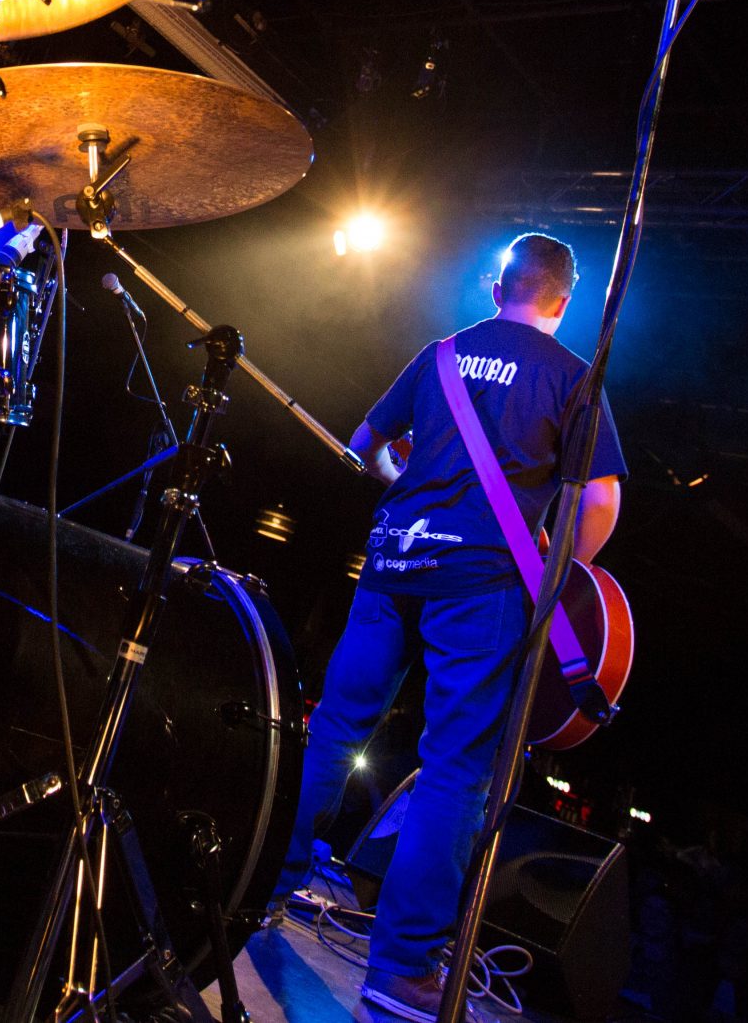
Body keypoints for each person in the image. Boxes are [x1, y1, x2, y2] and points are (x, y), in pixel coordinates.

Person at [278, 231, 626, 1022]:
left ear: (497, 286)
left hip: (393, 561)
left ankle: (262, 886)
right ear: (564, 300)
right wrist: (553, 568)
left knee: (332, 728)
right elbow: (602, 499)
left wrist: (409, 487)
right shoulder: (574, 375)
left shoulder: (440, 355)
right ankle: (401, 967)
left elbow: (364, 447)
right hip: (481, 582)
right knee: (455, 770)